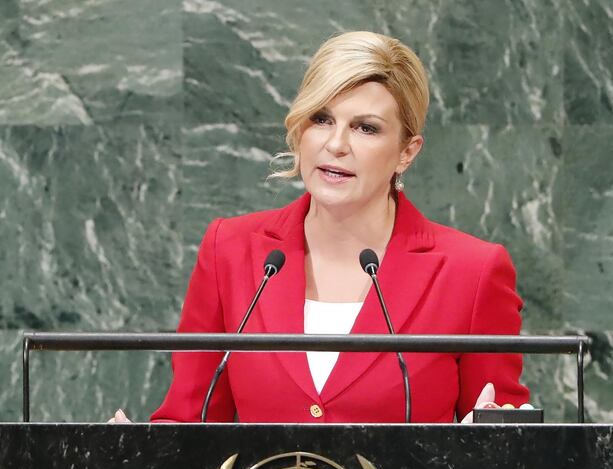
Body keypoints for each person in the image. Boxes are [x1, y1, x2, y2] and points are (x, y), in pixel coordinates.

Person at [112, 31, 529, 425]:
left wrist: (496, 444)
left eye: (366, 128)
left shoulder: (472, 272)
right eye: (322, 118)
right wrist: (137, 456)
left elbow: (507, 438)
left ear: (406, 152)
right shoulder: (231, 250)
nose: (336, 144)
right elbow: (190, 424)